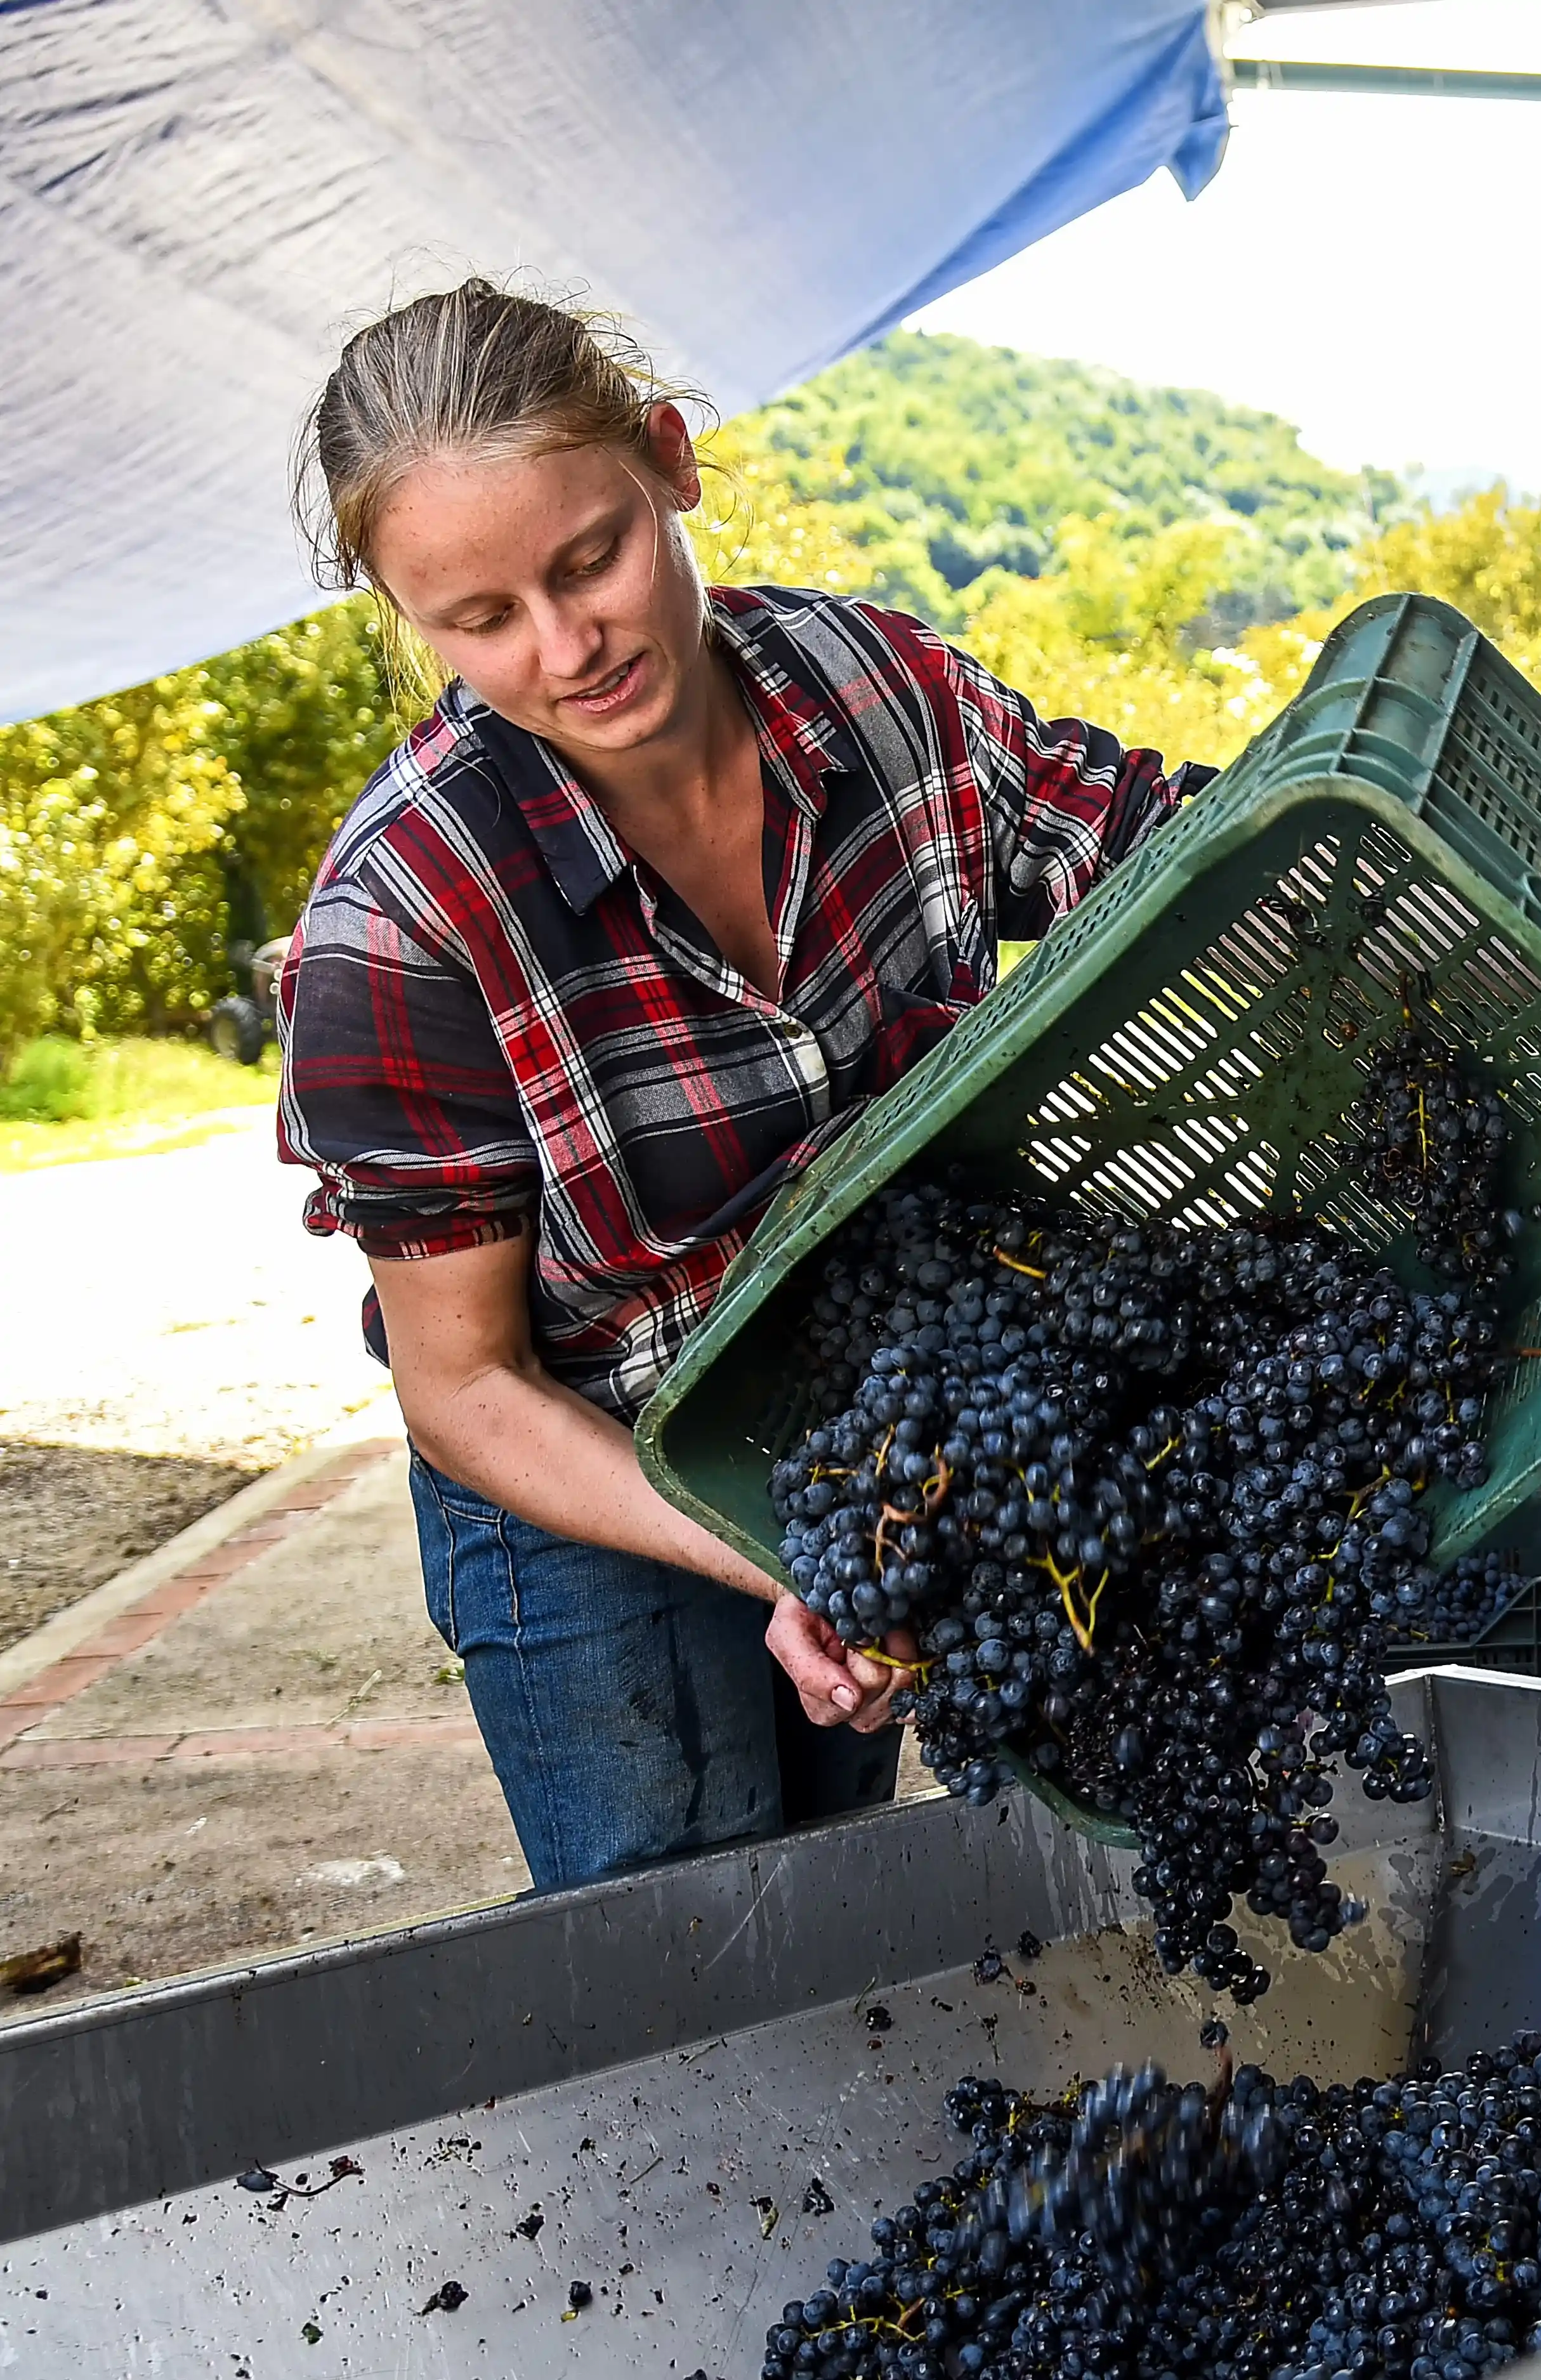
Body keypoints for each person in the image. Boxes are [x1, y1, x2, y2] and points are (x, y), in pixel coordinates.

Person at [277, 279, 1212, 1892]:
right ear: (407, 612)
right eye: (480, 618)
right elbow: (468, 1388)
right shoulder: (405, 922)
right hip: (577, 1469)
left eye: (592, 561)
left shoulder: (874, 688)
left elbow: (1158, 849)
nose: (569, 650)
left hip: (835, 1414)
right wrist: (784, 1562)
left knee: (824, 1904)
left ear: (670, 462)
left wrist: (1529, 905)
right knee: (683, 1946)